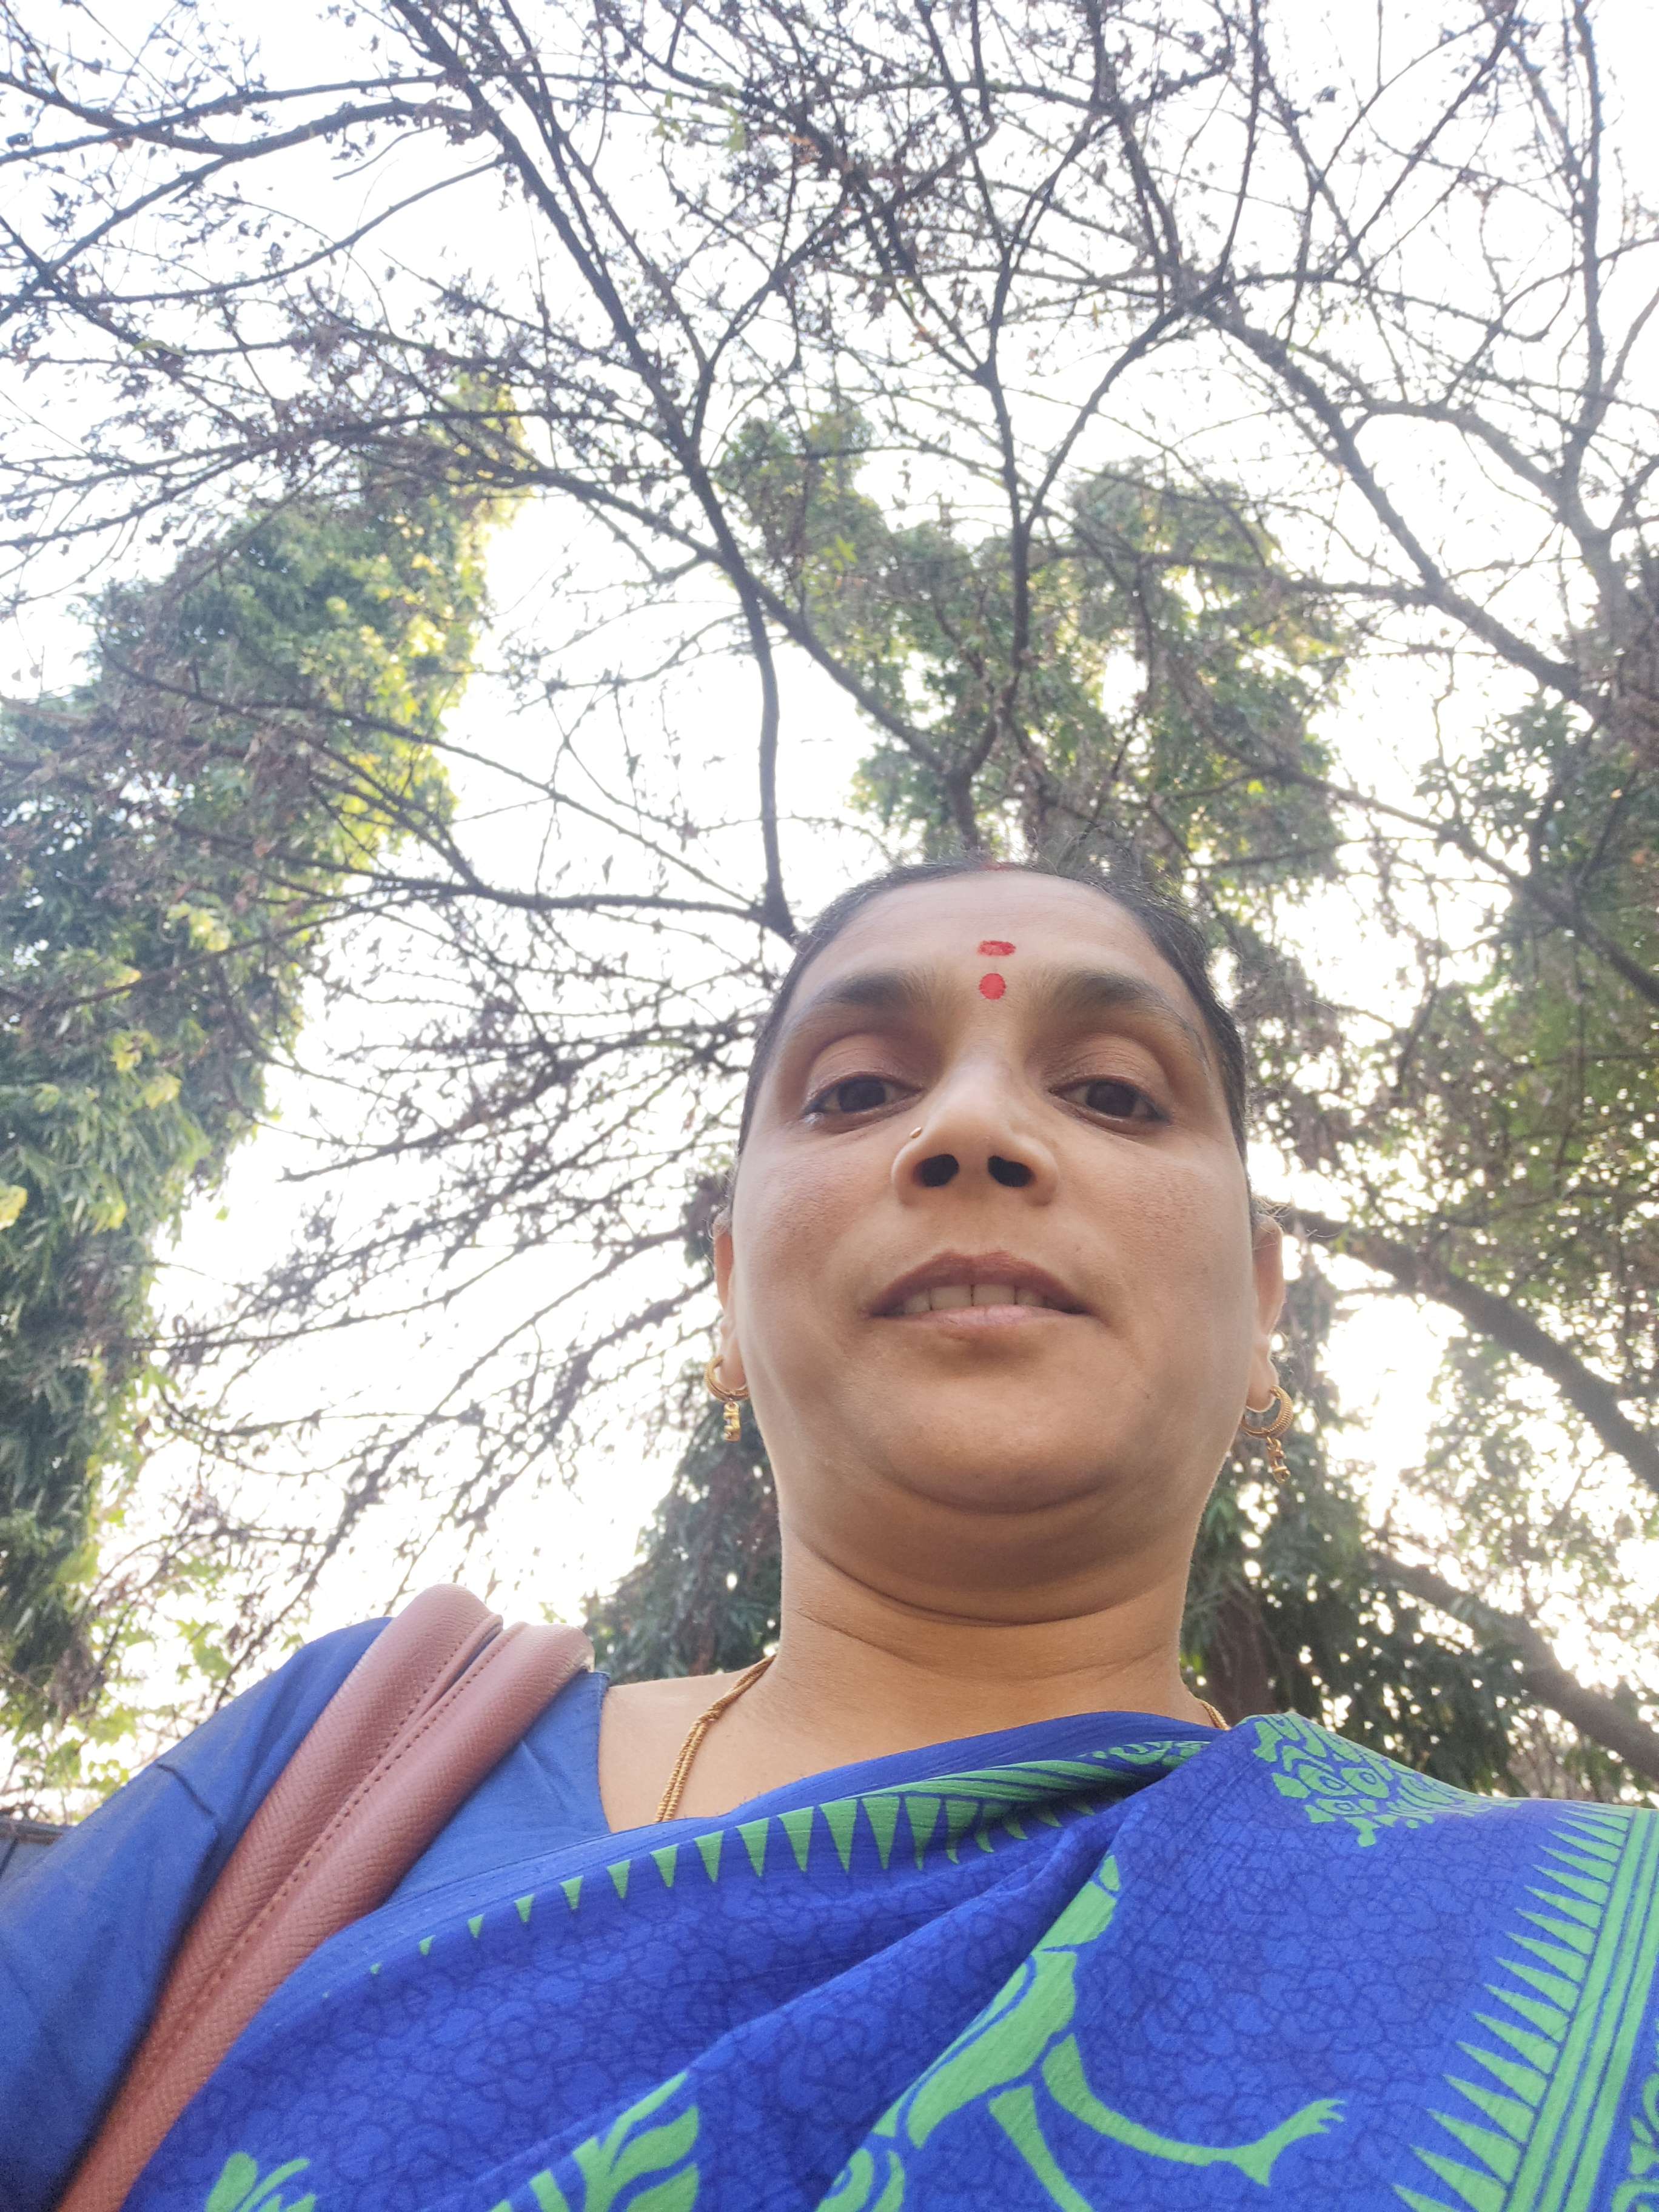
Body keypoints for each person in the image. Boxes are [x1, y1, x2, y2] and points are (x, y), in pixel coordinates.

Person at [4, 854, 1657, 2212]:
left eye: (1111, 1092)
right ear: (730, 1296)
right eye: (859, 1088)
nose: (972, 1133)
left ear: (1263, 1307)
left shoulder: (1584, 1942)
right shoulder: (351, 1766)